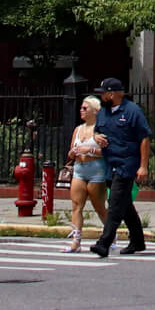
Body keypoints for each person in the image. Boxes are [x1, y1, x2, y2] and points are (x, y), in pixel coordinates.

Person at [87, 76, 152, 258]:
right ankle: (138, 241)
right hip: (110, 164)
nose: (101, 97)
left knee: (115, 204)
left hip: (127, 164)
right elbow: (97, 130)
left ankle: (104, 243)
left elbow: (144, 138)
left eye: (103, 93)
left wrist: (143, 166)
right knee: (125, 205)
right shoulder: (103, 112)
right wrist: (96, 136)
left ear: (113, 94)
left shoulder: (132, 111)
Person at [62, 94, 108, 253]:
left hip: (97, 169)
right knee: (76, 205)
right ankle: (76, 240)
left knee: (99, 206)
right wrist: (73, 153)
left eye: (85, 108)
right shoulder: (78, 129)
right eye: (81, 108)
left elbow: (108, 151)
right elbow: (70, 152)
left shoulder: (101, 129)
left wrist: (90, 149)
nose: (81, 110)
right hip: (79, 168)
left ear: (95, 111)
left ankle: (110, 234)